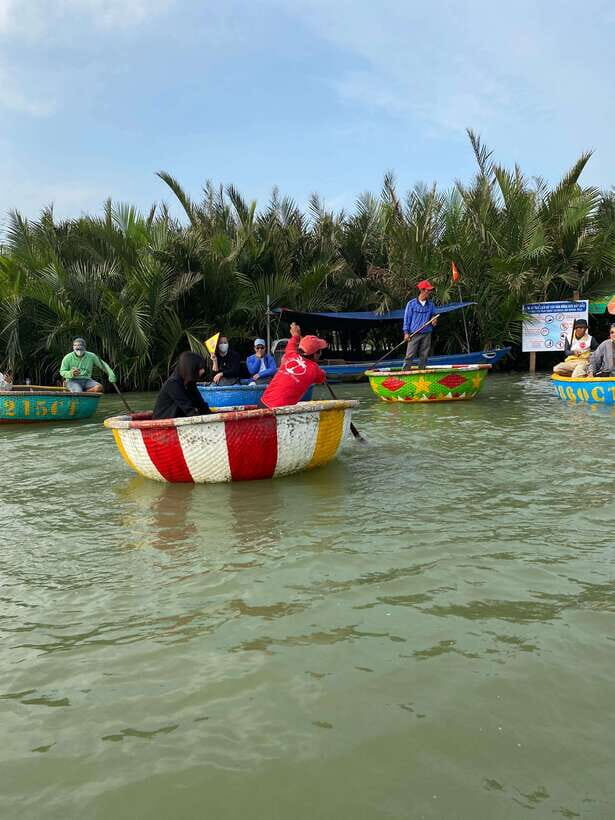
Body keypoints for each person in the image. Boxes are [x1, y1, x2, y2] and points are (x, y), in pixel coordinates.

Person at [259, 322, 327, 408]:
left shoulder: (290, 354)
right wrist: (323, 373)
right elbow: (321, 378)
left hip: (263, 402)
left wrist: (296, 333)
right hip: (281, 410)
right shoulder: (315, 369)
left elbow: (294, 338)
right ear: (316, 354)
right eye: (320, 351)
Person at [153, 351, 212, 419]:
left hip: (178, 417)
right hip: (165, 420)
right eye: (200, 368)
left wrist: (210, 416)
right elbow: (188, 409)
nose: (203, 371)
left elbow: (201, 404)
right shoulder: (173, 384)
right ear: (190, 368)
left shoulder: (189, 383)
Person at [402, 279, 438, 369]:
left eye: (430, 290)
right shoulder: (411, 304)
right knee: (410, 355)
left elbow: (433, 315)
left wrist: (434, 319)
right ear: (422, 290)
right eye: (428, 290)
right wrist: (406, 333)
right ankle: (405, 372)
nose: (429, 292)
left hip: (427, 333)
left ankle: (422, 372)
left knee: (424, 355)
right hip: (414, 334)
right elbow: (407, 319)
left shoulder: (431, 305)